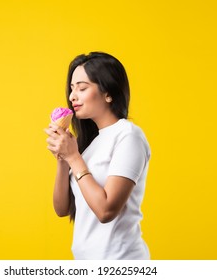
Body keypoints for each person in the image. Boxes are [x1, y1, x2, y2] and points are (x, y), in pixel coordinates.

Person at [44, 52, 151, 260]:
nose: (72, 96)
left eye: (82, 88)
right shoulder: (91, 145)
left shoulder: (128, 136)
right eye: (72, 89)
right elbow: (61, 208)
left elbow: (106, 211)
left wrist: (74, 157)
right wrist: (62, 159)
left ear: (108, 93)